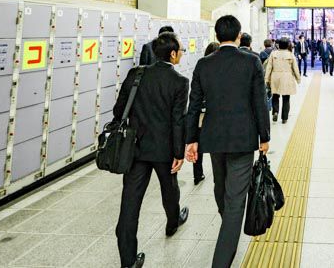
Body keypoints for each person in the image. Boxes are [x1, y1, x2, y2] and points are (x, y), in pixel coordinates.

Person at [185, 15, 270, 268]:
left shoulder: (203, 64)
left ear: (216, 35)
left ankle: (228, 226)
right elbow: (259, 102)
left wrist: (191, 139)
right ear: (239, 35)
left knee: (221, 187)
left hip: (214, 137)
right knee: (235, 199)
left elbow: (194, 106)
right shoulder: (251, 62)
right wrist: (264, 136)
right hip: (243, 139)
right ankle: (222, 258)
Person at [114, 32, 190, 268]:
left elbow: (119, 111)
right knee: (169, 188)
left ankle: (128, 261)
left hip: (135, 148)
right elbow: (178, 121)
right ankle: (172, 222)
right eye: (181, 51)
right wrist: (179, 153)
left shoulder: (135, 75)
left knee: (130, 202)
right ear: (173, 54)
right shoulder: (179, 82)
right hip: (164, 150)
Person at [192, 41, 220, 186]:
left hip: (200, 115)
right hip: (215, 115)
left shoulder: (201, 65)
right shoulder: (221, 69)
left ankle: (197, 174)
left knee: (198, 145)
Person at [265, 37, 301, 124]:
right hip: (287, 77)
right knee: (286, 98)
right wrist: (298, 79)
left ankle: (275, 112)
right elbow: (295, 68)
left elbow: (269, 67)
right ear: (288, 45)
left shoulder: (273, 54)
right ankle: (284, 118)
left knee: (275, 96)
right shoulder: (290, 55)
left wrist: (266, 78)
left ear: (278, 45)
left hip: (275, 77)